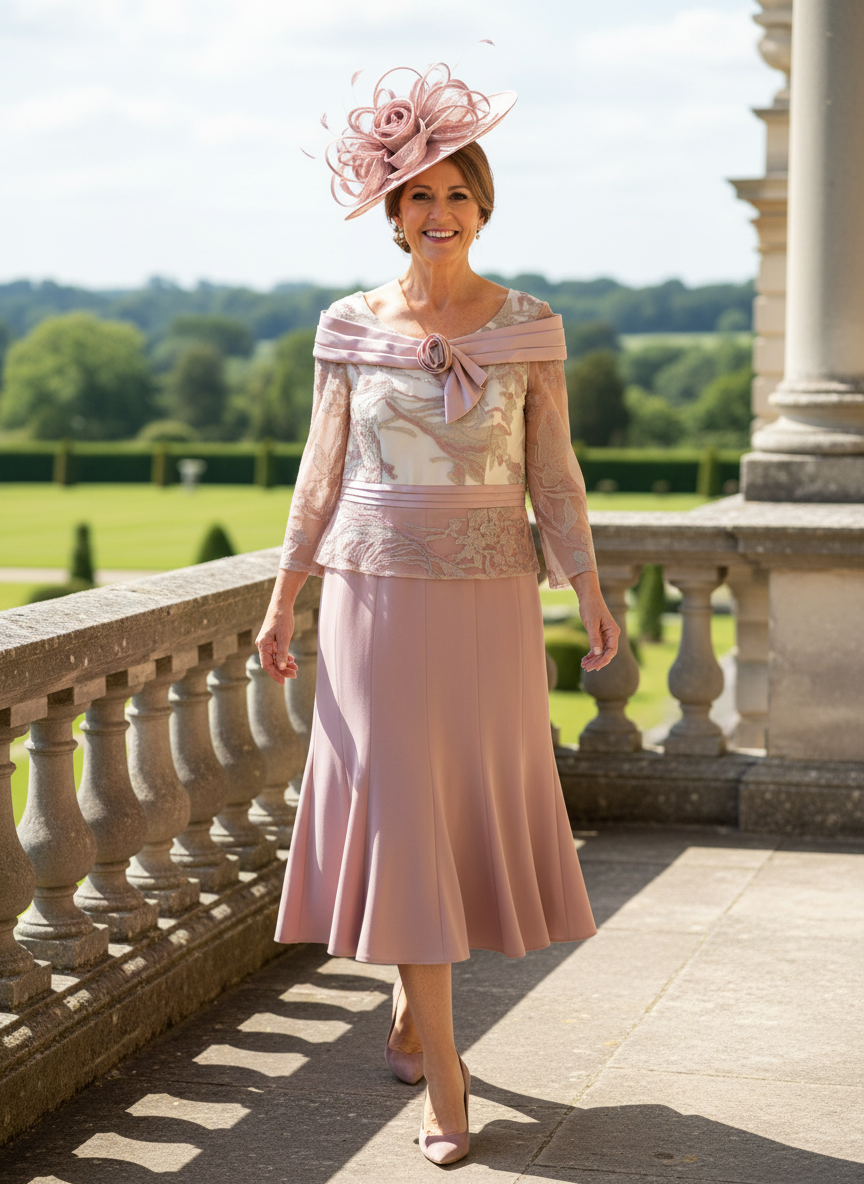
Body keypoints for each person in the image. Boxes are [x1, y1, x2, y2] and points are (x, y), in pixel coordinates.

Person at [256, 62, 619, 1167]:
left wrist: (589, 587)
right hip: (372, 600)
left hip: (490, 599)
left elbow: (554, 474)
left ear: (483, 207)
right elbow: (319, 474)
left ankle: (414, 1011)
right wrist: (283, 595)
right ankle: (449, 1082)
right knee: (403, 814)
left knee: (455, 812)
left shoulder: (531, 327)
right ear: (391, 210)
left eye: (458, 193)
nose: (439, 212)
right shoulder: (347, 327)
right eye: (419, 194)